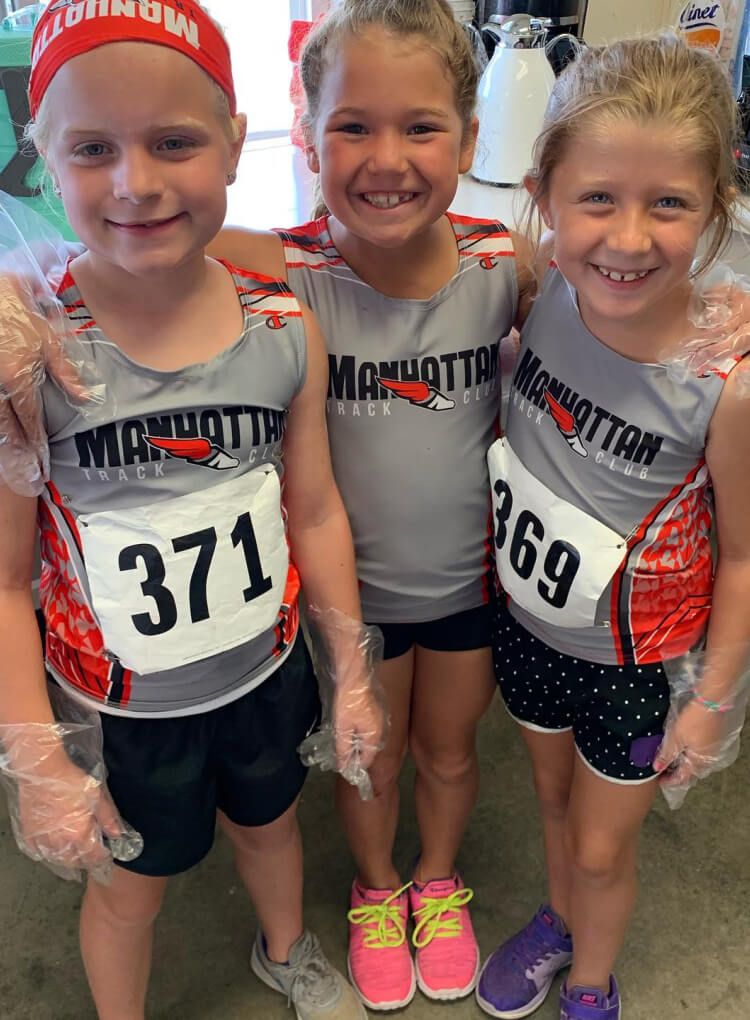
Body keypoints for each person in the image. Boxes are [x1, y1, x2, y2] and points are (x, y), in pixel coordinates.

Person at [0, 3, 383, 1019]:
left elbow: (313, 507)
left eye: (173, 141)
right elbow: (2, 580)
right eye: (93, 148)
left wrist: (349, 671)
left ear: (231, 144)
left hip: (262, 675)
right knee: (129, 888)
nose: (136, 181)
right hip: (123, 715)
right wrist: (38, 756)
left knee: (271, 829)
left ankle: (287, 950)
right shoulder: (30, 356)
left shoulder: (282, 330)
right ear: (45, 159)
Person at [207, 0, 531, 1009]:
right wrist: (28, 287)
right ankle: (377, 885)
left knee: (447, 750)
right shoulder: (282, 266)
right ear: (305, 134)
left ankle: (436, 880)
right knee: (372, 757)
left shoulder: (503, 265)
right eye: (354, 124)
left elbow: (628, 282)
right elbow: (136, 236)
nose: (386, 157)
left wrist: (716, 304)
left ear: (470, 141)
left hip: (469, 585)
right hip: (355, 602)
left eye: (421, 126)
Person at [474, 34, 750, 1020]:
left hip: (633, 665)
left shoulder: (726, 378)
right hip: (526, 628)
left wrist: (713, 700)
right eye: (598, 198)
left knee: (604, 844)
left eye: (667, 203)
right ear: (546, 194)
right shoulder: (542, 289)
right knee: (552, 810)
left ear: (715, 206)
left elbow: (746, 556)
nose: (627, 240)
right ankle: (559, 922)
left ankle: (592, 981)